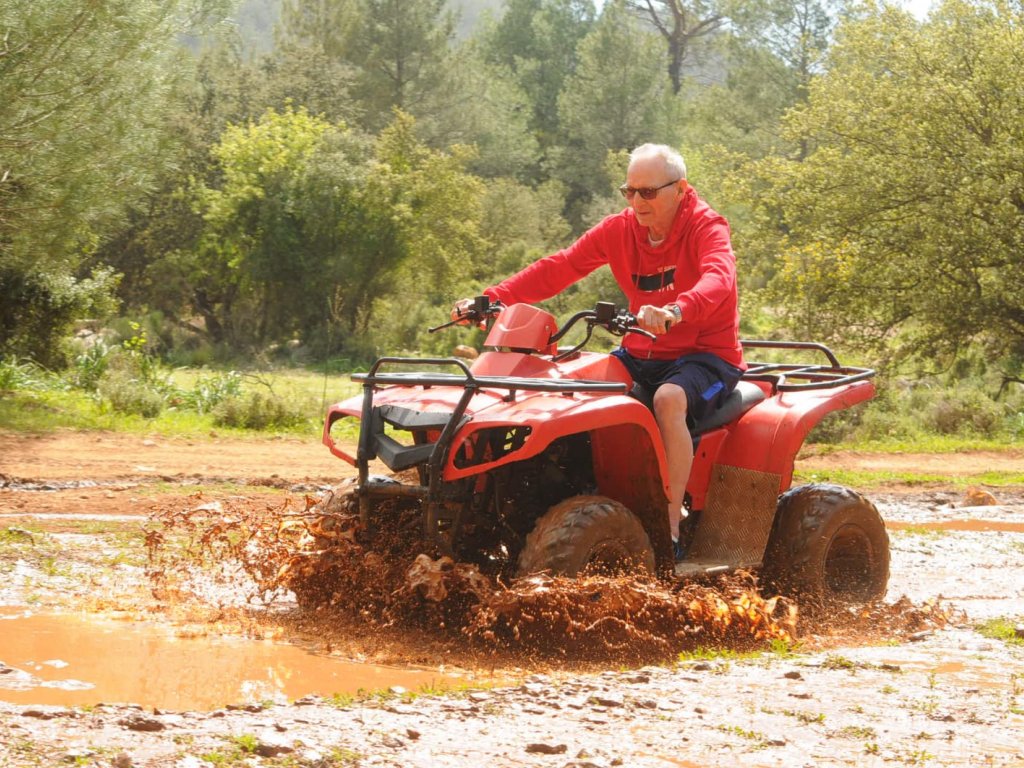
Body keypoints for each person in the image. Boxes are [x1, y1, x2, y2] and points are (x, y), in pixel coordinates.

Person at [452, 143, 745, 559]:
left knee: (669, 398)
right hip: (641, 351)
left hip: (706, 356)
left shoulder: (706, 225)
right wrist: (492, 297)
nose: (636, 202)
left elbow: (719, 277)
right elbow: (560, 267)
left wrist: (678, 310)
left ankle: (671, 526)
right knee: (575, 391)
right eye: (629, 191)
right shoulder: (620, 229)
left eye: (648, 192)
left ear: (680, 189)